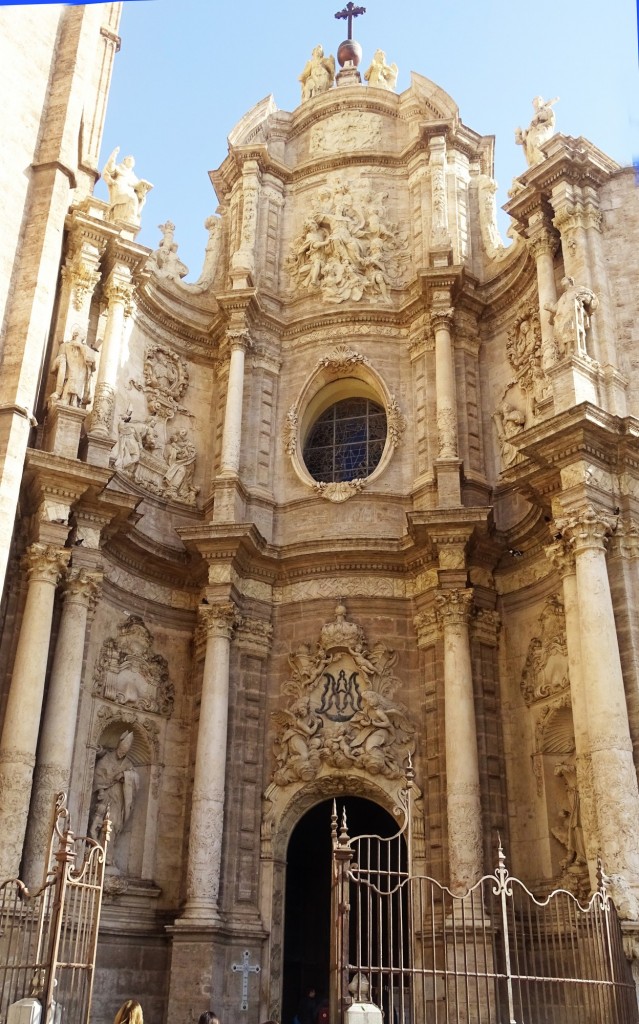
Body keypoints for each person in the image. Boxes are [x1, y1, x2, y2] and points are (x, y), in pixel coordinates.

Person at [90, 730, 139, 866]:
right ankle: (99, 854)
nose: (123, 753)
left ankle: (107, 856)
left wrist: (124, 776)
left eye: (125, 751)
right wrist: (101, 789)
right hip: (106, 796)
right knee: (103, 824)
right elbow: (98, 773)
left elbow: (135, 779)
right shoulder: (107, 758)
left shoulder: (128, 764)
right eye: (122, 749)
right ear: (119, 745)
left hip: (119, 799)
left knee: (115, 825)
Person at [102, 147, 153, 225]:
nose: (131, 161)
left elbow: (138, 192)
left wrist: (143, 192)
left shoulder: (133, 176)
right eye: (129, 160)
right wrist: (113, 155)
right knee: (132, 198)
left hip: (129, 193)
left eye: (132, 161)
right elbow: (109, 169)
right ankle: (130, 222)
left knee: (135, 198)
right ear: (124, 161)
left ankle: (128, 222)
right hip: (119, 190)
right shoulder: (119, 168)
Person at [50, 326, 96, 407]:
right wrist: (62, 360)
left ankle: (74, 399)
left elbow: (91, 361)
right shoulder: (65, 345)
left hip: (81, 371)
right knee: (73, 375)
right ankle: (65, 398)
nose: (84, 335)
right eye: (82, 333)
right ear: (76, 334)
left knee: (78, 375)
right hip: (68, 368)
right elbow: (57, 361)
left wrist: (81, 347)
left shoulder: (86, 348)